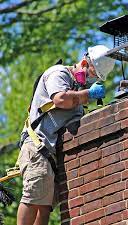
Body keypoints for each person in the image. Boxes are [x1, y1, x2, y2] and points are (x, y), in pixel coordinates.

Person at [17, 45, 115, 225]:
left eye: (96, 78)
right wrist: (87, 94)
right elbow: (60, 99)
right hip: (36, 146)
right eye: (92, 75)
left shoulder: (78, 96)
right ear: (84, 63)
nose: (91, 80)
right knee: (34, 194)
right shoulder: (59, 73)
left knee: (46, 204)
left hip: (50, 154)